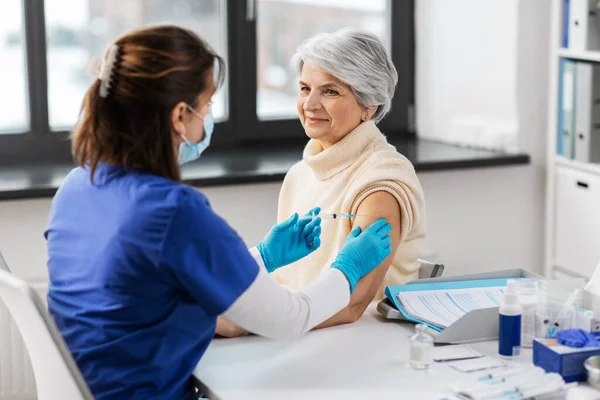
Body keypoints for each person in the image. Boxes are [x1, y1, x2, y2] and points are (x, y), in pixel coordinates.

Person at [45, 25, 393, 400]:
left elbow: (161, 281)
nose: (209, 116)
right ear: (180, 116)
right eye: (208, 104)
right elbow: (289, 319)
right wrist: (348, 268)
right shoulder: (172, 212)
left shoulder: (77, 186)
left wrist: (264, 256)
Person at [216, 29, 426, 337]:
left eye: (330, 91)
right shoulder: (300, 174)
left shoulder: (381, 181)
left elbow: (353, 305)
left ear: (369, 105)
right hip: (304, 334)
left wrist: (241, 323)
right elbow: (288, 286)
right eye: (304, 88)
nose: (309, 104)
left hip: (360, 345)